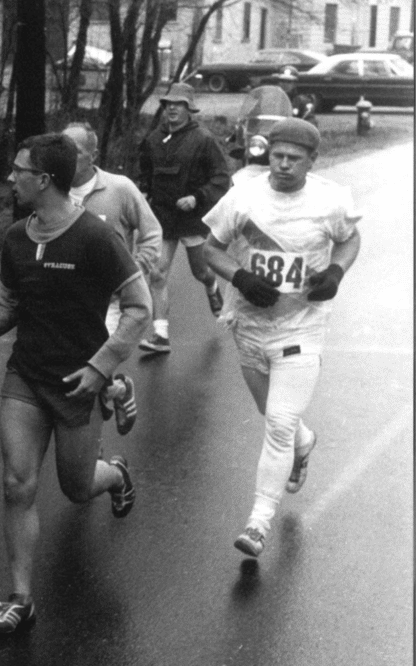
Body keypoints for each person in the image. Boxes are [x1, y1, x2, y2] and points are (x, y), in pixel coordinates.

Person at [0, 134, 151, 633]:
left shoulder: (96, 237)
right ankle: (20, 598)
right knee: (16, 484)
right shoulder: (14, 237)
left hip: (80, 383)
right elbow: (7, 304)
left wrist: (100, 367)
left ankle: (114, 473)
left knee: (75, 487)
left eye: (19, 169)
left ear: (44, 179)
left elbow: (140, 308)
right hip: (27, 376)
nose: (11, 177)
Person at [202, 118, 361, 557]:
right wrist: (241, 276)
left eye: (294, 158)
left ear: (312, 161)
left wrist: (335, 272)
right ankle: (304, 442)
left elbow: (350, 240)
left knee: (277, 423)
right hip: (250, 324)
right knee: (275, 416)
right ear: (266, 155)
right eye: (277, 156)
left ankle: (258, 522)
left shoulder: (330, 201)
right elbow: (209, 248)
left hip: (302, 326)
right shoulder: (245, 196)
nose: (284, 165)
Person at [62, 122, 163, 435]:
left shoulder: (119, 188)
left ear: (92, 155)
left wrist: (132, 272)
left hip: (110, 301)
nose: (66, 157)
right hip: (66, 299)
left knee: (88, 365)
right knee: (72, 370)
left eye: (75, 152)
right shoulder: (52, 189)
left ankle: (93, 459)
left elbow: (152, 233)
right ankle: (118, 390)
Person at [138, 82, 230, 354]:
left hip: (192, 219)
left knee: (200, 271)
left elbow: (221, 179)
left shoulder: (203, 139)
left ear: (189, 109)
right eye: (168, 105)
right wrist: (143, 194)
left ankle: (212, 285)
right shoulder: (154, 139)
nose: (172, 110)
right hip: (163, 217)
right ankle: (160, 335)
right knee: (157, 272)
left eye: (179, 105)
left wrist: (196, 198)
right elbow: (145, 173)